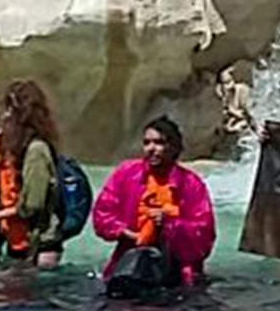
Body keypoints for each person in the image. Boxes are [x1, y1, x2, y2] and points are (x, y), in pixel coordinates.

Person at [90, 116, 216, 291]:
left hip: (176, 270)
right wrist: (125, 232)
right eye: (147, 142)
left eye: (159, 143)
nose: (151, 148)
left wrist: (170, 225)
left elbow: (204, 235)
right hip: (130, 263)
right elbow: (102, 214)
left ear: (174, 147)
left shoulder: (190, 183)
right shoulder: (126, 173)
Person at [0, 80, 64, 268]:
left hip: (40, 245)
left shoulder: (36, 151)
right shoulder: (17, 148)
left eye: (10, 110)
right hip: (19, 240)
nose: (4, 116)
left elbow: (33, 204)